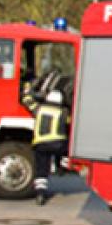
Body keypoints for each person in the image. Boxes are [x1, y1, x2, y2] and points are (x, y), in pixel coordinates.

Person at [27, 70, 71, 205]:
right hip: (58, 144)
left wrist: (28, 89)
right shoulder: (63, 112)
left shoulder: (38, 109)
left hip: (40, 145)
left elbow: (27, 100)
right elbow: (70, 126)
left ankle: (40, 194)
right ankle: (62, 167)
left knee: (41, 170)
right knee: (68, 148)